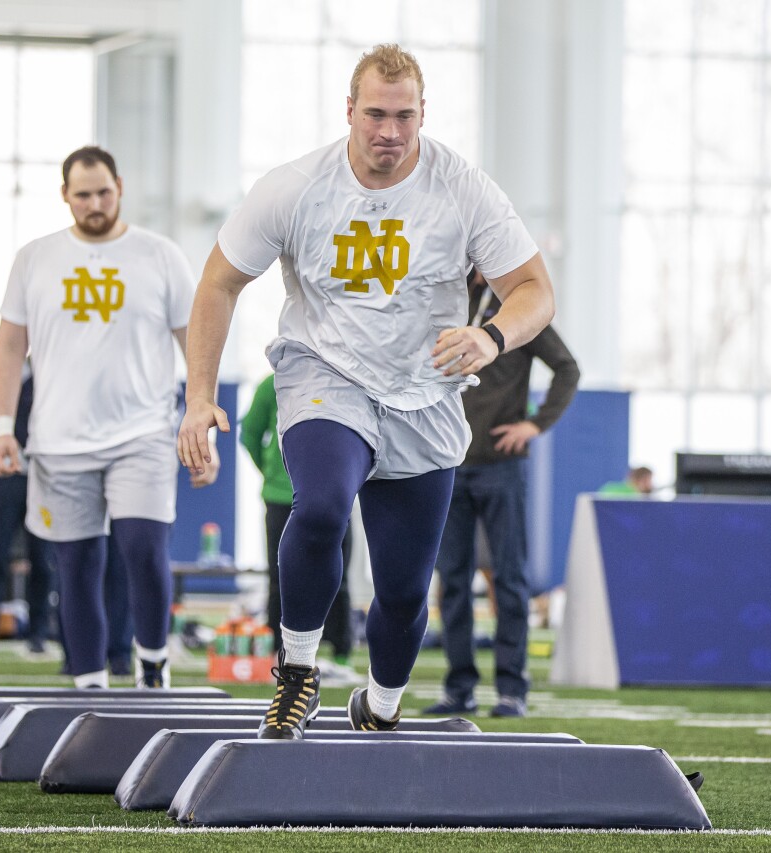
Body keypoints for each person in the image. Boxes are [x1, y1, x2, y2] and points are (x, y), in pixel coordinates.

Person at [178, 44, 556, 738]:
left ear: (423, 115)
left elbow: (535, 291)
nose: (389, 132)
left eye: (404, 116)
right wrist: (200, 395)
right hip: (326, 375)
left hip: (424, 393)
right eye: (375, 115)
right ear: (348, 111)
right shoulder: (295, 188)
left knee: (407, 589)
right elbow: (219, 282)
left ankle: (379, 705)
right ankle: (296, 675)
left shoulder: (462, 187)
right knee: (319, 505)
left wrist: (492, 336)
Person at [0, 145, 217, 690]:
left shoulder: (159, 255)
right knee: (77, 566)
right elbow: (7, 346)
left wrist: (201, 419)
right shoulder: (35, 257)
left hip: (142, 432)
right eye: (83, 194)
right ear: (65, 195)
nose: (95, 203)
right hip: (58, 439)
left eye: (104, 192)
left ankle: (154, 661)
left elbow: (196, 340)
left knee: (142, 548)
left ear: (120, 187)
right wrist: (2, 427)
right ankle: (89, 684)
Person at [424, 266, 579, 718]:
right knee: (452, 579)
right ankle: (459, 689)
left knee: (509, 579)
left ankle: (512, 690)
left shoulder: (518, 311)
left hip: (501, 466)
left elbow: (568, 369)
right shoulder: (444, 302)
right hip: (447, 462)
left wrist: (535, 424)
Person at [239, 372, 356, 673]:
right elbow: (249, 434)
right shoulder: (271, 384)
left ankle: (340, 653)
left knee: (339, 578)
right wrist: (272, 473)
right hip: (280, 497)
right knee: (280, 578)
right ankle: (280, 656)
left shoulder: (345, 377)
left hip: (334, 496)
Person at [0, 357, 54, 663]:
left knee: (42, 562)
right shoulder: (13, 364)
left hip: (46, 475)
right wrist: (11, 347)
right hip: (8, 474)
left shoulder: (56, 363)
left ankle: (38, 636)